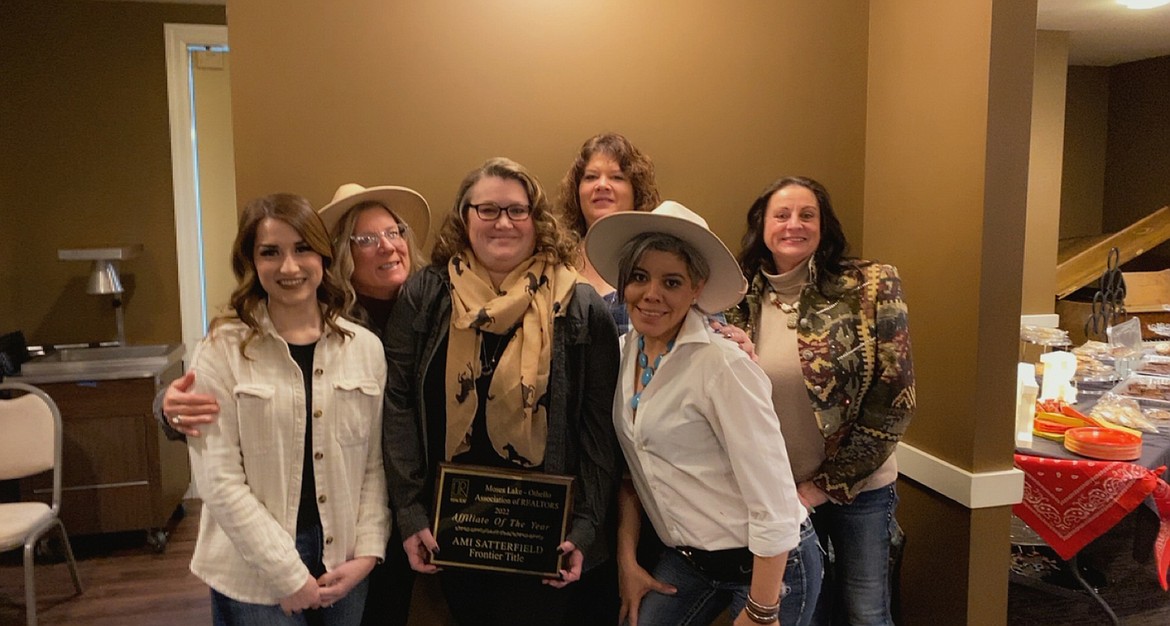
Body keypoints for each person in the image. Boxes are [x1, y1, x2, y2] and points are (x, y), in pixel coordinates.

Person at [158, 183, 431, 626]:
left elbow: (372, 467)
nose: (289, 265)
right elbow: (219, 479)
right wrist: (285, 573)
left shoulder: (368, 344)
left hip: (346, 555)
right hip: (254, 567)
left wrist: (367, 552)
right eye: (270, 252)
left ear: (322, 255)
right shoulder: (223, 349)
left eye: (303, 248)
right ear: (251, 261)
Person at [381, 157, 621, 626]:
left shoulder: (578, 304)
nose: (503, 222)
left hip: (548, 532)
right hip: (453, 529)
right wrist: (410, 513)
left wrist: (587, 526)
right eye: (487, 210)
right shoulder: (427, 296)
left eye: (517, 210)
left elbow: (599, 429)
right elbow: (399, 406)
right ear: (464, 217)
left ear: (538, 220)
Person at [585, 200, 820, 626]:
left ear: (697, 288)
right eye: (639, 277)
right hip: (690, 560)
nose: (651, 294)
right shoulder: (620, 357)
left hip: (769, 565)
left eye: (671, 281)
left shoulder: (723, 366)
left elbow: (775, 500)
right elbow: (632, 475)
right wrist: (627, 561)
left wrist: (763, 609)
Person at [726, 176, 915, 626]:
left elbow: (896, 399)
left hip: (859, 490)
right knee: (799, 612)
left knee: (865, 611)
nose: (794, 224)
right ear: (762, 226)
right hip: (776, 494)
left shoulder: (870, 286)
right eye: (782, 215)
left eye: (807, 215)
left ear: (824, 226)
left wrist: (821, 489)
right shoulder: (735, 298)